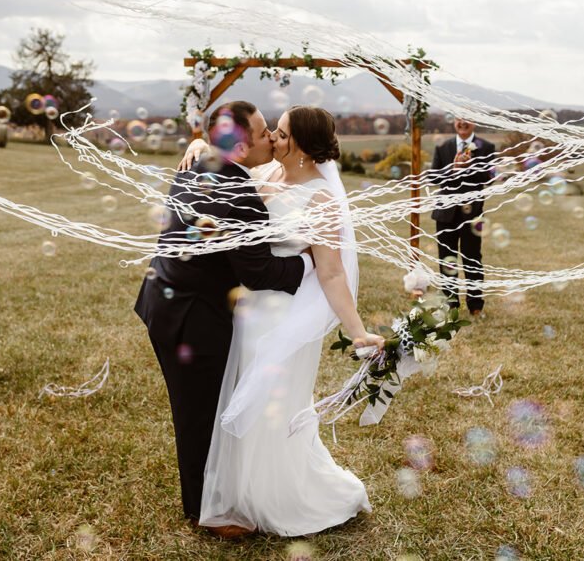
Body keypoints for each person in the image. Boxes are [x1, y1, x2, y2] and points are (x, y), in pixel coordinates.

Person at [137, 101, 377, 537]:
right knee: (211, 407)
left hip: (263, 314)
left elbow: (333, 270)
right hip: (219, 309)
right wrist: (198, 141)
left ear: (300, 146)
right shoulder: (252, 180)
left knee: (256, 406)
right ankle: (213, 502)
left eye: (279, 132)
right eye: (268, 131)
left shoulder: (307, 193)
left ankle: (254, 493)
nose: (272, 138)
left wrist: (357, 331)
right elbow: (258, 269)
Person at [429, 118, 497, 316]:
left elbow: (489, 178)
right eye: (459, 119)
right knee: (446, 259)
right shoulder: (443, 146)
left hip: (472, 214)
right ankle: (451, 306)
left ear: (474, 122)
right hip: (445, 213)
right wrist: (454, 169)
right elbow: (433, 177)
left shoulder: (488, 147)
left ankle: (475, 306)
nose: (463, 123)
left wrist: (471, 167)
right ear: (454, 122)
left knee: (473, 259)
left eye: (467, 119)